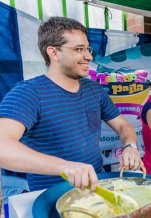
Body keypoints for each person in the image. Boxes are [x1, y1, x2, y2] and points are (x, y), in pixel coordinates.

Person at [0, 17, 141, 192]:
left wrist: (131, 146)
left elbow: (122, 125)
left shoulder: (94, 89)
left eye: (87, 49)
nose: (89, 56)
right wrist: (65, 167)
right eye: (79, 49)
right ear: (54, 53)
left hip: (97, 189)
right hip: (51, 196)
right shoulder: (28, 93)